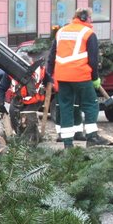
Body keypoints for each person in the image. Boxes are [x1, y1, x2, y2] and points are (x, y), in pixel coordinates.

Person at [44, 9, 107, 148]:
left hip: (62, 76)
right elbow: (93, 59)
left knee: (66, 107)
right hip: (80, 75)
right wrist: (95, 78)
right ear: (84, 17)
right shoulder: (88, 33)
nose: (91, 20)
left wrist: (49, 75)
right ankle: (92, 137)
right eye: (90, 17)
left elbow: (52, 56)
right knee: (91, 104)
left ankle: (67, 143)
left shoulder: (61, 32)